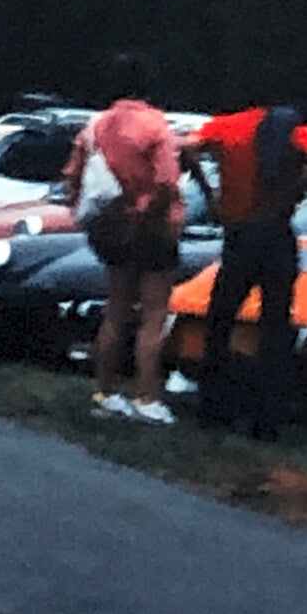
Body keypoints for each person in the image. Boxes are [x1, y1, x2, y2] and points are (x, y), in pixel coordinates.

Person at [184, 104, 307, 439]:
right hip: (277, 232)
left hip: (239, 234)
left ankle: (213, 407)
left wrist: (210, 192)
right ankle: (267, 418)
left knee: (221, 318)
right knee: (276, 324)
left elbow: (187, 148)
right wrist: (295, 190)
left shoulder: (225, 125)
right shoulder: (291, 128)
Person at [62, 54, 183, 426]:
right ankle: (147, 397)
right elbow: (165, 181)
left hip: (110, 228)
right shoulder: (155, 124)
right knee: (152, 317)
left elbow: (72, 176)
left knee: (115, 312)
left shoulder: (95, 125)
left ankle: (105, 392)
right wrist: (145, 217)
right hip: (153, 231)